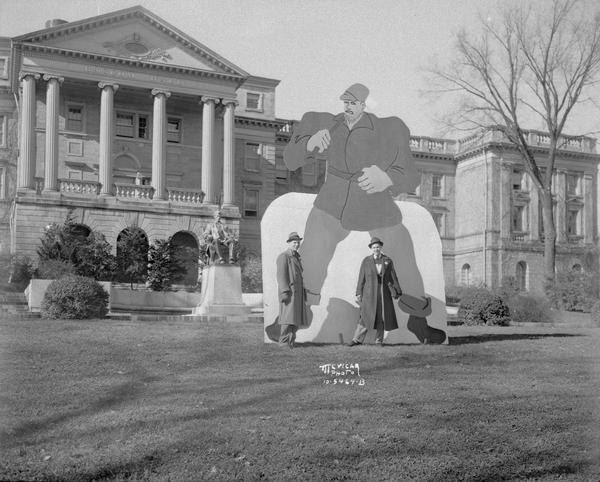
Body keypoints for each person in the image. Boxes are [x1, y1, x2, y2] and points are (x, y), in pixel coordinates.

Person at [283, 83, 419, 306]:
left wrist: (387, 177)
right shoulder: (324, 124)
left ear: (364, 105)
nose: (348, 107)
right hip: (332, 204)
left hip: (374, 203)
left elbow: (411, 174)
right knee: (313, 248)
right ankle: (298, 313)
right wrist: (308, 144)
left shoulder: (387, 128)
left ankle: (417, 316)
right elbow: (290, 159)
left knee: (400, 245)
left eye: (353, 103)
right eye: (345, 102)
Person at [349, 237, 402, 346]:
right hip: (369, 293)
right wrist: (359, 292)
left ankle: (379, 341)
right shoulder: (366, 261)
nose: (376, 249)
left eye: (377, 247)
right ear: (371, 249)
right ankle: (356, 339)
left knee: (381, 316)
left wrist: (397, 290)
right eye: (374, 247)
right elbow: (361, 278)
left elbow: (393, 276)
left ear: (381, 247)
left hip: (383, 292)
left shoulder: (387, 260)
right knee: (365, 316)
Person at [276, 232, 309, 348]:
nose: (297, 244)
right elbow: (281, 276)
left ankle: (291, 341)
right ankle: (284, 342)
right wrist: (284, 292)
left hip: (298, 293)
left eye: (298, 242)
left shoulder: (296, 257)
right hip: (289, 293)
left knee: (295, 319)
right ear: (289, 243)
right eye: (294, 242)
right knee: (287, 318)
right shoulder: (284, 256)